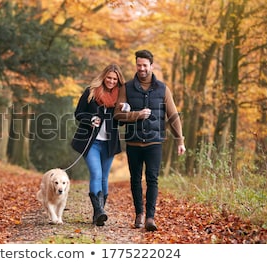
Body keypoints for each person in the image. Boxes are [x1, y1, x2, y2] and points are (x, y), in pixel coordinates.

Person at [114, 50, 186, 231]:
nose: (142, 68)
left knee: (153, 179)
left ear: (151, 66)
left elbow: (173, 116)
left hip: (154, 142)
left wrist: (180, 140)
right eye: (139, 65)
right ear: (136, 65)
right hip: (133, 143)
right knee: (136, 180)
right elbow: (117, 114)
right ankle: (139, 214)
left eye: (145, 65)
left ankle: (150, 218)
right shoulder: (127, 88)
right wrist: (136, 115)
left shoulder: (162, 89)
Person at [71, 63, 126, 226]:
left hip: (109, 144)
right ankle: (99, 211)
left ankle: (99, 213)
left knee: (104, 177)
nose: (111, 81)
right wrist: (90, 119)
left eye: (114, 79)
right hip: (91, 142)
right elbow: (78, 113)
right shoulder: (91, 91)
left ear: (118, 80)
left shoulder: (121, 97)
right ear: (103, 77)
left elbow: (121, 123)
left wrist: (124, 111)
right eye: (109, 77)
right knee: (96, 173)